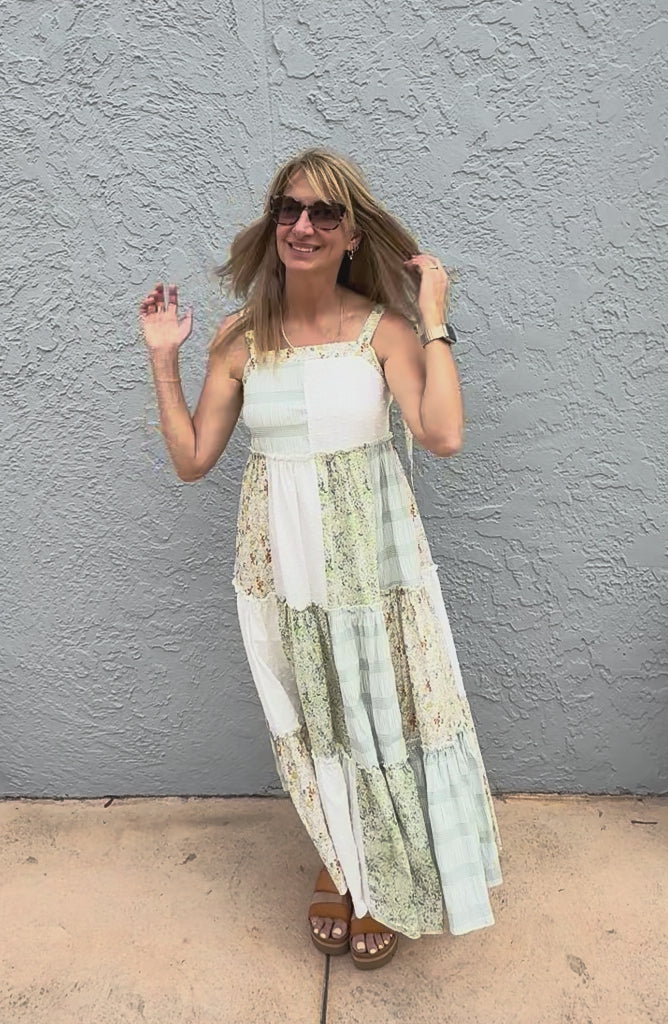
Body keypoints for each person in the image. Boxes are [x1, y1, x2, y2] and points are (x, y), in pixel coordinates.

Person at [139, 147, 502, 970]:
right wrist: (163, 360)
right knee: (317, 719)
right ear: (275, 224)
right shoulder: (240, 338)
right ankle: (341, 863)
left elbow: (442, 434)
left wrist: (433, 314)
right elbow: (193, 459)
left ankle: (383, 878)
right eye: (290, 209)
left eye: (325, 213)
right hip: (288, 572)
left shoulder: (385, 332)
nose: (303, 226)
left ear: (351, 234)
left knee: (379, 716)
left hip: (373, 570)